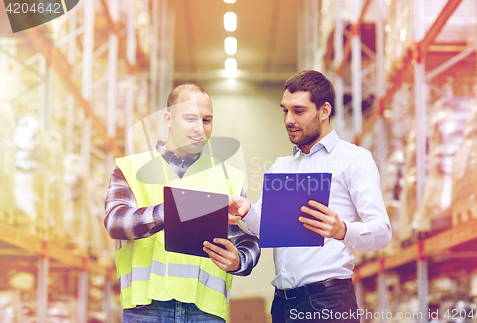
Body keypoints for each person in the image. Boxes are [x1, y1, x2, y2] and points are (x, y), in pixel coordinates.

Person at [229, 70, 392, 323]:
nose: (288, 119)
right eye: (285, 110)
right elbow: (265, 226)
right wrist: (246, 209)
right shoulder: (281, 166)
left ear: (324, 111)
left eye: (298, 111)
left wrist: (342, 230)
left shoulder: (354, 160)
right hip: (283, 302)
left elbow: (382, 231)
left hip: (328, 300)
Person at [105, 83, 260, 322]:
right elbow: (116, 222)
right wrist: (176, 210)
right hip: (146, 310)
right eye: (190, 118)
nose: (200, 129)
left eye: (207, 120)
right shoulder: (131, 168)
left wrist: (239, 260)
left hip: (206, 312)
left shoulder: (228, 177)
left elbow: (249, 239)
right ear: (168, 119)